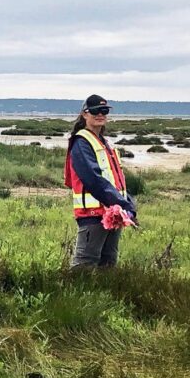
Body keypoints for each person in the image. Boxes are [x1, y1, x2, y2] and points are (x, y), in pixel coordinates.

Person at [64, 95, 138, 269]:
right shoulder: (81, 142)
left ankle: (102, 296)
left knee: (108, 262)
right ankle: (72, 296)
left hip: (113, 213)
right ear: (85, 114)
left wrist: (128, 203)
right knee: (85, 264)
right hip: (92, 215)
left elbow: (115, 180)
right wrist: (122, 204)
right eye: (95, 111)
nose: (100, 114)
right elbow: (93, 180)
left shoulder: (105, 143)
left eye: (104, 111)